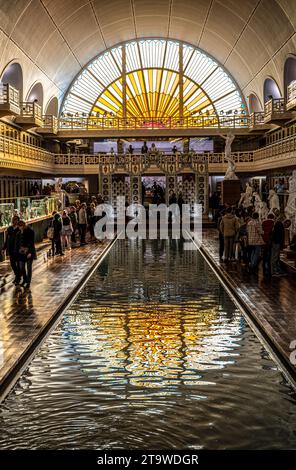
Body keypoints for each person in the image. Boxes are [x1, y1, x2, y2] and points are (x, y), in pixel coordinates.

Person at [16, 220, 36, 289]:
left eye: (20, 227)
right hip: (21, 252)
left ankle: (28, 282)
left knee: (29, 267)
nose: (19, 228)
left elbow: (32, 243)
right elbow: (18, 243)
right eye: (19, 227)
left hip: (29, 252)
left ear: (23, 225)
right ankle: (24, 279)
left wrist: (30, 252)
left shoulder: (30, 231)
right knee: (21, 267)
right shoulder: (19, 233)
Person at [2, 215, 20, 284]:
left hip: (17, 249)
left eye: (16, 220)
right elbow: (7, 239)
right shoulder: (9, 229)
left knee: (18, 264)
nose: (15, 221)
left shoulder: (19, 229)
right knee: (12, 264)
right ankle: (17, 275)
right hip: (11, 249)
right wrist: (4, 248)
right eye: (14, 220)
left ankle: (18, 278)